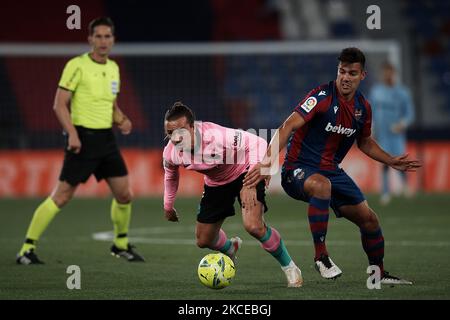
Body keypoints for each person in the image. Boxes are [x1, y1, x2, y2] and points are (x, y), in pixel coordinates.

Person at [244, 48, 421, 285]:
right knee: (321, 185)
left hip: (332, 173)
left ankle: (378, 274)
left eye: (352, 73)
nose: (346, 77)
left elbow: (365, 142)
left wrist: (390, 160)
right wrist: (267, 163)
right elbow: (287, 126)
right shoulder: (321, 97)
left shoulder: (362, 108)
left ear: (362, 76)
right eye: (342, 71)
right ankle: (321, 257)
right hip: (297, 170)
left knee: (369, 220)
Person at [16, 17, 144, 264]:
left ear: (113, 40)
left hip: (106, 139)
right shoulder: (76, 65)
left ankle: (120, 244)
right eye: (99, 36)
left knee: (125, 194)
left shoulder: (114, 68)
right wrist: (73, 134)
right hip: (82, 139)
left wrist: (122, 119)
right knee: (61, 196)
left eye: (108, 36)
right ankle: (27, 249)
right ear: (90, 40)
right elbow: (59, 104)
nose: (103, 41)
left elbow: (112, 106)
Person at [162, 101, 303, 287]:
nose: (176, 138)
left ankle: (290, 267)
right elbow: (171, 176)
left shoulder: (216, 137)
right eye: (170, 133)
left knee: (253, 225)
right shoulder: (171, 153)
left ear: (192, 126)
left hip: (246, 169)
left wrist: (254, 180)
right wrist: (168, 205)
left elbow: (258, 142)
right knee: (203, 240)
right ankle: (230, 247)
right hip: (217, 182)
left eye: (180, 131)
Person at [369, 62, 415, 205]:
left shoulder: (402, 92)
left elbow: (410, 113)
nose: (387, 75)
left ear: (394, 74)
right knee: (384, 162)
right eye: (385, 72)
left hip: (396, 134)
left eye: (390, 72)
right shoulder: (376, 91)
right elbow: (371, 111)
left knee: (399, 160)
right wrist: (371, 128)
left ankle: (405, 185)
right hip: (382, 134)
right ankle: (385, 192)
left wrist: (402, 124)